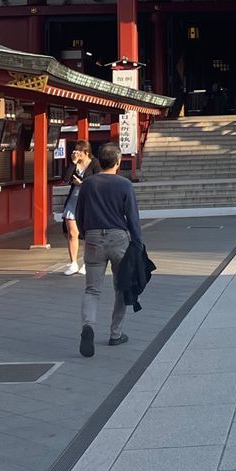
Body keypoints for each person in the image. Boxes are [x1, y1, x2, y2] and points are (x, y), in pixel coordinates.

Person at [73, 142, 143, 356]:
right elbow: (132, 217)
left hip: (94, 238)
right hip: (118, 237)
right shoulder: (124, 184)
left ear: (99, 160)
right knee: (121, 287)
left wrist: (85, 234)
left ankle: (88, 326)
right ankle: (116, 333)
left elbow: (79, 213)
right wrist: (137, 242)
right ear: (118, 162)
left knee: (92, 289)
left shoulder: (88, 184)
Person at [61, 140, 93, 275]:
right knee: (72, 233)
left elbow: (97, 181)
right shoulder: (74, 164)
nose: (76, 153)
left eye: (79, 151)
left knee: (86, 234)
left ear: (86, 152)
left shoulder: (94, 164)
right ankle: (73, 263)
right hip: (73, 200)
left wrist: (82, 183)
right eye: (75, 150)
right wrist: (73, 163)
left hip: (88, 201)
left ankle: (86, 263)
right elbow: (65, 178)